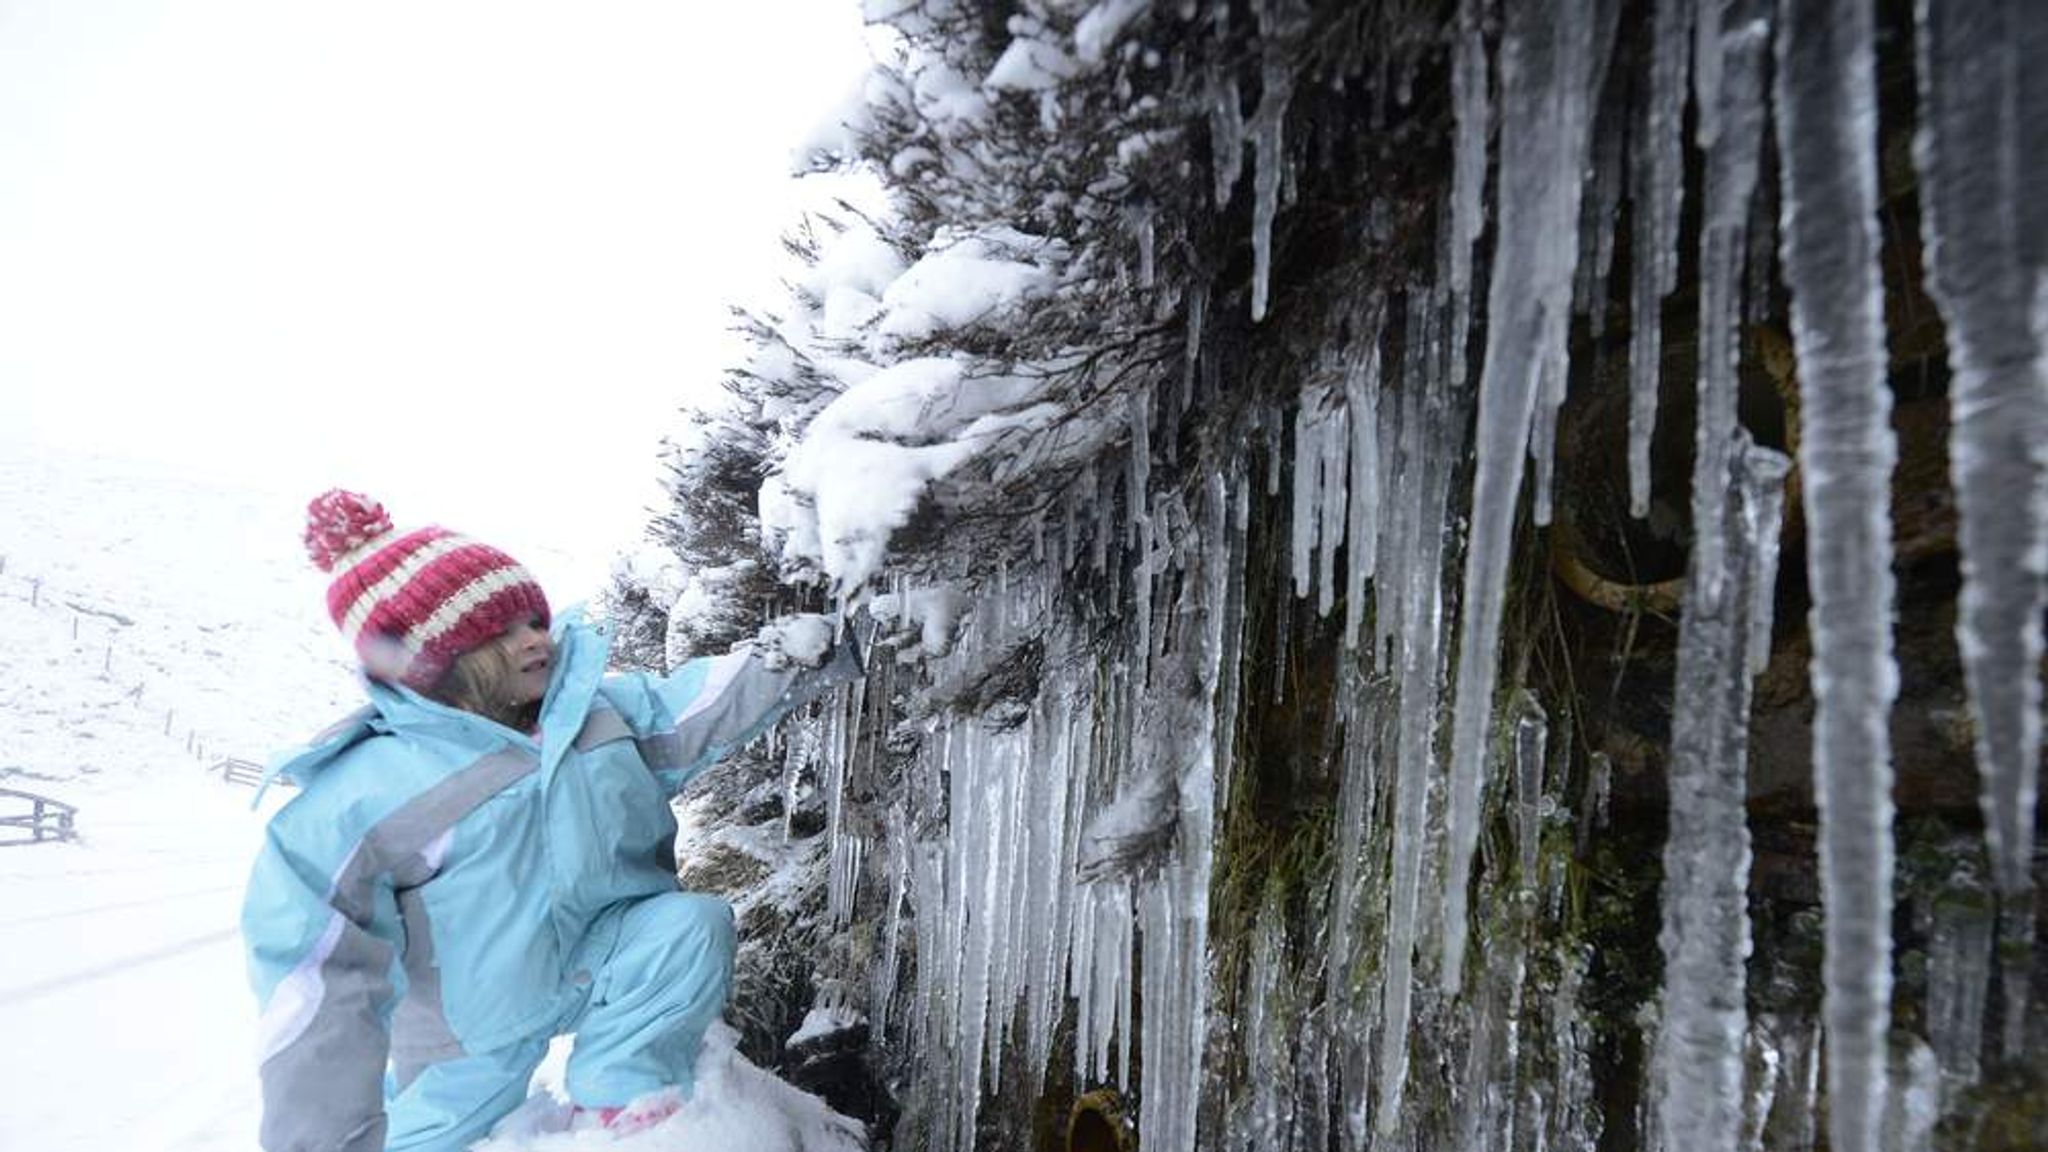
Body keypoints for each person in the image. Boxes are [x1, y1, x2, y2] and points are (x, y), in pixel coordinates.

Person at [240, 489, 861, 1152]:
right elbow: (315, 977)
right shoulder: (366, 793)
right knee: (438, 1135)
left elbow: (699, 708)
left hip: (607, 951)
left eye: (532, 619)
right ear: (436, 658)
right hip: (470, 1024)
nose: (535, 638)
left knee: (688, 927)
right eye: (499, 632)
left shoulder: (594, 715)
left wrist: (796, 654)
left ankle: (628, 1099)